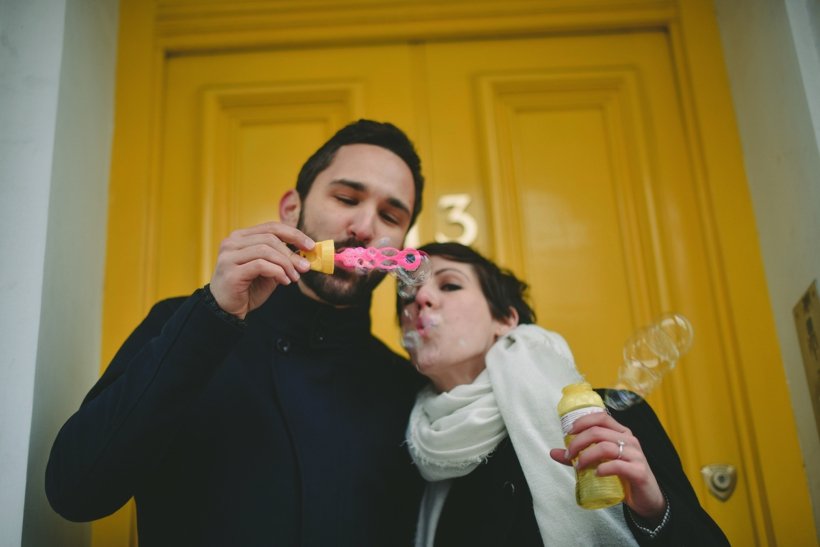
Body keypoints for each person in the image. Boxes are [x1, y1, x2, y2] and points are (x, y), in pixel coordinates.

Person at [46, 120, 428, 546]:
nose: (363, 227)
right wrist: (212, 317)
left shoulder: (404, 387)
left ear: (401, 246)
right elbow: (74, 491)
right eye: (346, 197)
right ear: (291, 209)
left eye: (390, 215)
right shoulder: (185, 326)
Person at [397, 242, 729, 546]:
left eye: (450, 285)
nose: (420, 299)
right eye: (408, 296)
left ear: (505, 319)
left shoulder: (601, 422)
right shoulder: (409, 448)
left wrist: (655, 511)